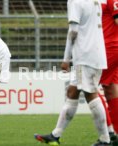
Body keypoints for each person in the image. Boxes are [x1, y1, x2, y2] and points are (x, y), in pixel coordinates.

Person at [34, 0, 111, 145]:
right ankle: (55, 135)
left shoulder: (75, 1)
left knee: (91, 93)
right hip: (95, 53)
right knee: (72, 92)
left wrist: (66, 58)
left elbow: (73, 31)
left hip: (85, 56)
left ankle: (105, 139)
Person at [100, 0, 118, 143]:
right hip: (108, 49)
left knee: (89, 88)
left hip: (109, 49)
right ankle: (115, 134)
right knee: (111, 90)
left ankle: (109, 134)